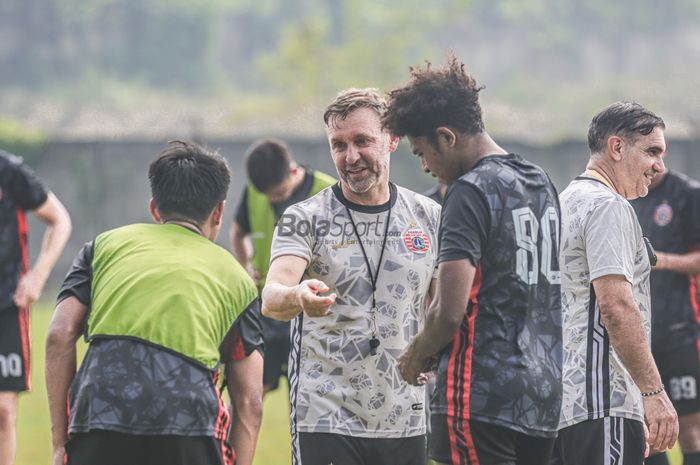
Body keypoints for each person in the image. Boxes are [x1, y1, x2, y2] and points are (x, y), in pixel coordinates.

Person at [385, 56, 564, 465]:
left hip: (480, 394)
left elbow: (449, 311)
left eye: (421, 153)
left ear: (446, 137)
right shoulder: (540, 181)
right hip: (544, 392)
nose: (426, 167)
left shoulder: (468, 191)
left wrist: (415, 354)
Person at [45, 140, 260, 465]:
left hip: (100, 412)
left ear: (155, 209)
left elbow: (59, 335)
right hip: (190, 422)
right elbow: (249, 401)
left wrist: (61, 443)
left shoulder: (103, 247)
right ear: (219, 212)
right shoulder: (238, 278)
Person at [261, 88, 441, 465]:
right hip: (325, 411)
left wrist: (436, 350)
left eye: (362, 141)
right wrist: (298, 297)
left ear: (392, 139)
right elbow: (272, 296)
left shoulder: (429, 216)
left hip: (404, 412)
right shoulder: (305, 218)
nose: (351, 156)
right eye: (339, 145)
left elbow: (444, 305)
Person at [554, 102, 679, 465]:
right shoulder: (608, 206)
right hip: (601, 399)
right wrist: (653, 392)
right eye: (652, 151)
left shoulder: (562, 203)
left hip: (559, 404)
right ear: (617, 147)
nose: (660, 166)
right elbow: (616, 306)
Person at [231, 139, 335, 394]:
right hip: (267, 307)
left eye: (278, 193)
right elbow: (238, 231)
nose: (272, 199)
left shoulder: (330, 192)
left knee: (303, 392)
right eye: (268, 195)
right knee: (251, 391)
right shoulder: (256, 189)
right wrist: (245, 266)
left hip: (309, 311)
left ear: (293, 170)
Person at [0, 149, 71, 465]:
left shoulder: (10, 172)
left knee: (3, 410)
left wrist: (37, 277)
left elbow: (60, 220)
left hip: (6, 304)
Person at [631, 162, 700, 465]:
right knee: (648, 434)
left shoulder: (688, 194)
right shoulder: (626, 196)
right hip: (637, 333)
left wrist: (660, 261)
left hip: (680, 329)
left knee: (690, 430)